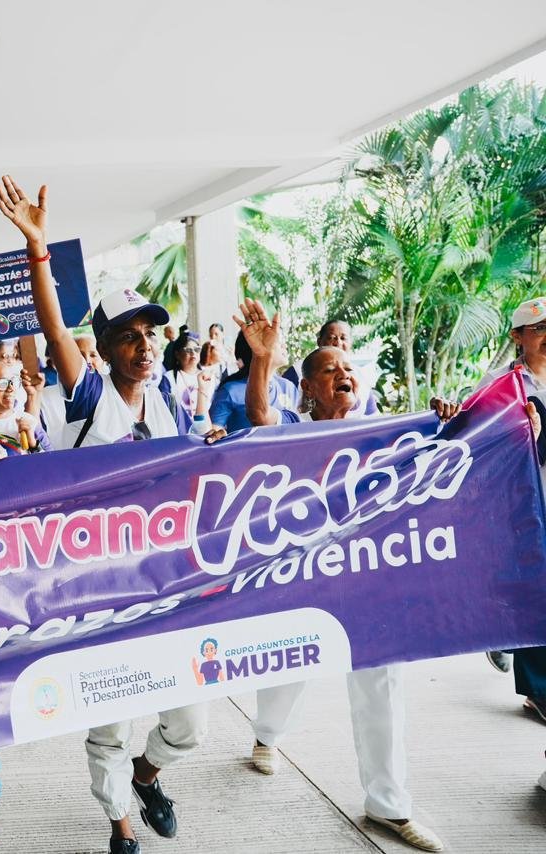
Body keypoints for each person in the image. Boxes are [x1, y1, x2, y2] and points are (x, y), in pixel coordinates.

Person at [0, 174, 222, 854]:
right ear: (105, 345)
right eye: (129, 335)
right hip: (102, 593)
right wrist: (38, 248)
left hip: (170, 591)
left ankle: (149, 776)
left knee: (192, 725)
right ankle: (119, 825)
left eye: (153, 333)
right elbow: (52, 328)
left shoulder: (171, 406)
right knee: (108, 724)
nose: (146, 344)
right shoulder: (90, 396)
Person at [233, 297, 491, 853]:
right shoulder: (294, 430)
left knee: (382, 683)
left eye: (348, 368)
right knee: (289, 666)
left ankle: (388, 807)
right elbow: (259, 416)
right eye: (329, 371)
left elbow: (446, 452)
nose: (343, 375)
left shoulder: (386, 433)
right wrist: (263, 361)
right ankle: (267, 736)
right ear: (307, 389)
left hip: (371, 579)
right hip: (303, 576)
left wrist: (448, 419)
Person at [473, 296, 546, 726]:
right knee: (538, 592)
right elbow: (479, 438)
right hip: (524, 502)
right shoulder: (502, 383)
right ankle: (537, 690)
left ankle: (504, 637)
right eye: (538, 330)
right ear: (517, 336)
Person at [208, 331, 298, 433]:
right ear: (256, 348)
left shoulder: (288, 387)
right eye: (278, 341)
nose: (284, 345)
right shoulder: (231, 391)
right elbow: (212, 434)